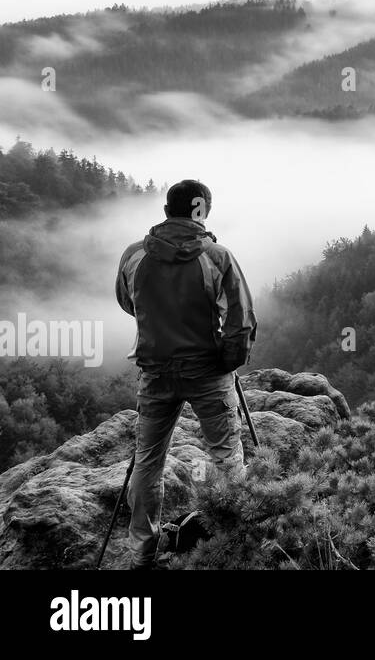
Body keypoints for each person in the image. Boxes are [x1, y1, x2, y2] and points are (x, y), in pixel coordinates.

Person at [115, 179, 256, 570]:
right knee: (227, 457)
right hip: (207, 371)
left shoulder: (133, 255)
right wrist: (228, 360)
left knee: (148, 460)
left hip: (155, 370)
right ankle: (234, 539)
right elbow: (241, 321)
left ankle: (142, 552)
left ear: (166, 211)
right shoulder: (217, 256)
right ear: (202, 211)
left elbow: (129, 301)